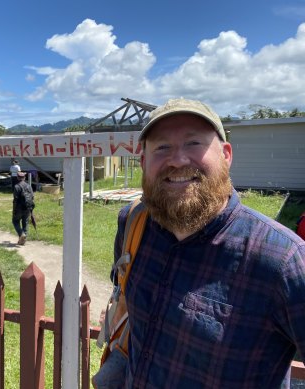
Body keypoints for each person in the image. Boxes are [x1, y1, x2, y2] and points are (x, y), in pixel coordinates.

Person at [101, 98, 305, 388]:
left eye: (194, 143)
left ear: (226, 155)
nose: (177, 159)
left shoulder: (284, 260)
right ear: (144, 162)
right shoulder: (133, 223)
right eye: (161, 147)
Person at [12, 171, 34, 245]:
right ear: (24, 178)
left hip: (19, 208)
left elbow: (15, 199)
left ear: (18, 178)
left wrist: (14, 210)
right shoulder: (29, 186)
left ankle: (21, 234)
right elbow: (32, 197)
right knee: (25, 223)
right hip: (28, 207)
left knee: (15, 221)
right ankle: (23, 240)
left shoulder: (16, 186)